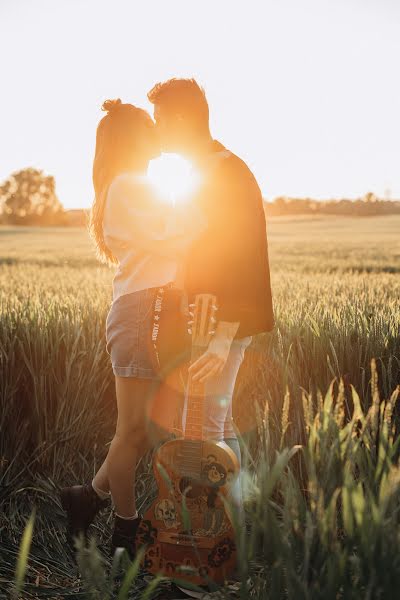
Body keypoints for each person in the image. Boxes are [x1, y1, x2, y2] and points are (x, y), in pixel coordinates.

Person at [59, 98, 208, 558]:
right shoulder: (128, 185)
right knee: (130, 433)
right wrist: (203, 217)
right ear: (133, 138)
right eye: (149, 128)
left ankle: (86, 499)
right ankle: (125, 534)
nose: (157, 136)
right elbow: (168, 237)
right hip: (145, 309)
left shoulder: (133, 185)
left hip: (149, 308)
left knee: (139, 432)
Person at [147, 78, 274, 514]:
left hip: (221, 323)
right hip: (204, 323)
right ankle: (236, 540)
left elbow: (242, 260)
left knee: (204, 433)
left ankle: (204, 566)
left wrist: (222, 338)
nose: (156, 130)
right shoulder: (204, 172)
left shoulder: (227, 174)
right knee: (212, 428)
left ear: (181, 120)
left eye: (160, 120)